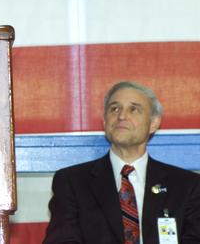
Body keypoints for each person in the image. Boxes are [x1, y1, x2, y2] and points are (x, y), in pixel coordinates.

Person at [43, 81, 200, 243]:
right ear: (105, 122)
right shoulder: (72, 182)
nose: (122, 116)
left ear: (153, 123)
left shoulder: (186, 186)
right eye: (114, 109)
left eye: (134, 109)